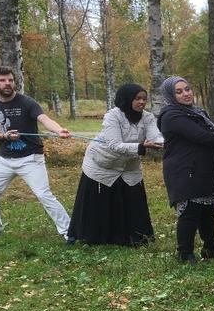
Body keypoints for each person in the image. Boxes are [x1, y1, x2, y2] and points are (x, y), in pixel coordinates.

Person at [0, 66, 72, 240]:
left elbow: (44, 119)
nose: (7, 83)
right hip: (4, 160)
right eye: (2, 80)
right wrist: (4, 135)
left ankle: (69, 232)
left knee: (44, 195)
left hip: (31, 159)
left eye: (10, 80)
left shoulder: (27, 102)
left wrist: (59, 130)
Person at [67, 84, 163, 246]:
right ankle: (87, 236)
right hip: (102, 163)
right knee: (97, 203)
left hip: (129, 166)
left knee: (133, 200)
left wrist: (162, 142)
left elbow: (155, 136)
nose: (142, 102)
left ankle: (134, 237)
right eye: (137, 98)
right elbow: (114, 144)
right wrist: (141, 147)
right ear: (127, 99)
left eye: (144, 99)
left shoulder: (147, 117)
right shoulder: (113, 116)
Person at [157, 76, 214, 264]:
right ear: (170, 95)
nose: (186, 94)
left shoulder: (197, 112)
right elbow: (201, 136)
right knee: (190, 212)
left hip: (204, 168)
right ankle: (185, 254)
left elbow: (213, 134)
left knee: (207, 210)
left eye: (188, 89)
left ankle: (211, 249)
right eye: (179, 91)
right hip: (185, 170)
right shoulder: (171, 115)